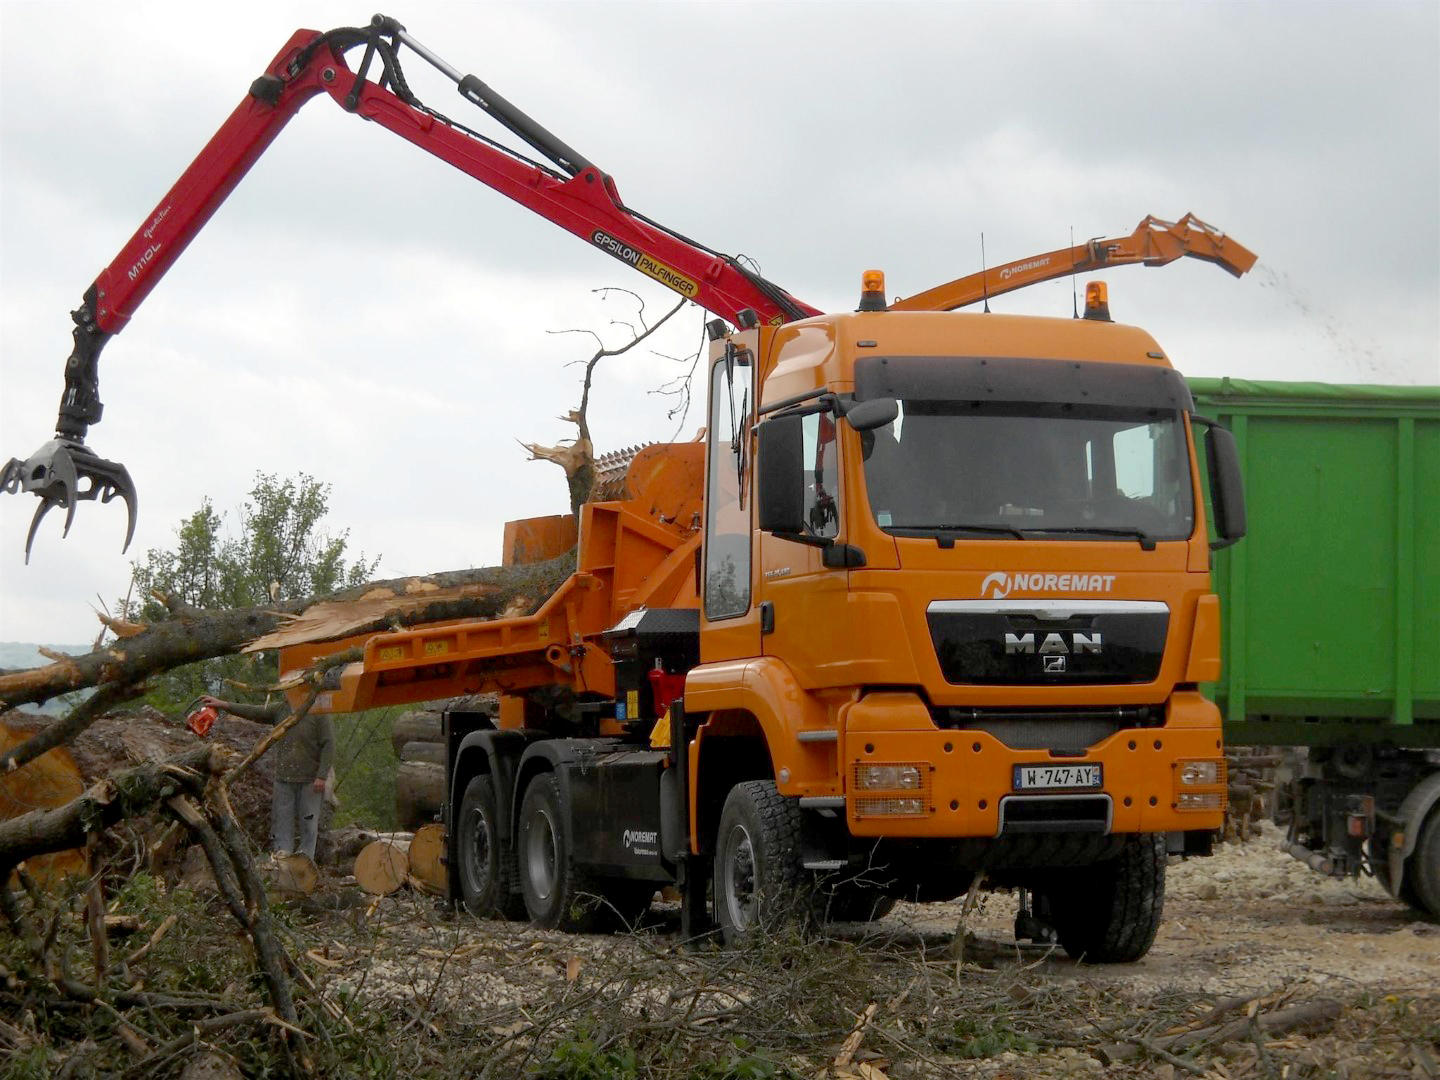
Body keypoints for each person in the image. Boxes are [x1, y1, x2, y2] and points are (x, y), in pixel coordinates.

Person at [197, 695, 335, 860]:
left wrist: (321, 776)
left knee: (308, 824)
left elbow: (329, 744)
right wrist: (223, 704)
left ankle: (305, 863)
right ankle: (282, 861)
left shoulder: (318, 711)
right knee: (282, 824)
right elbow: (253, 711)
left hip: (310, 780)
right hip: (284, 779)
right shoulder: (280, 710)